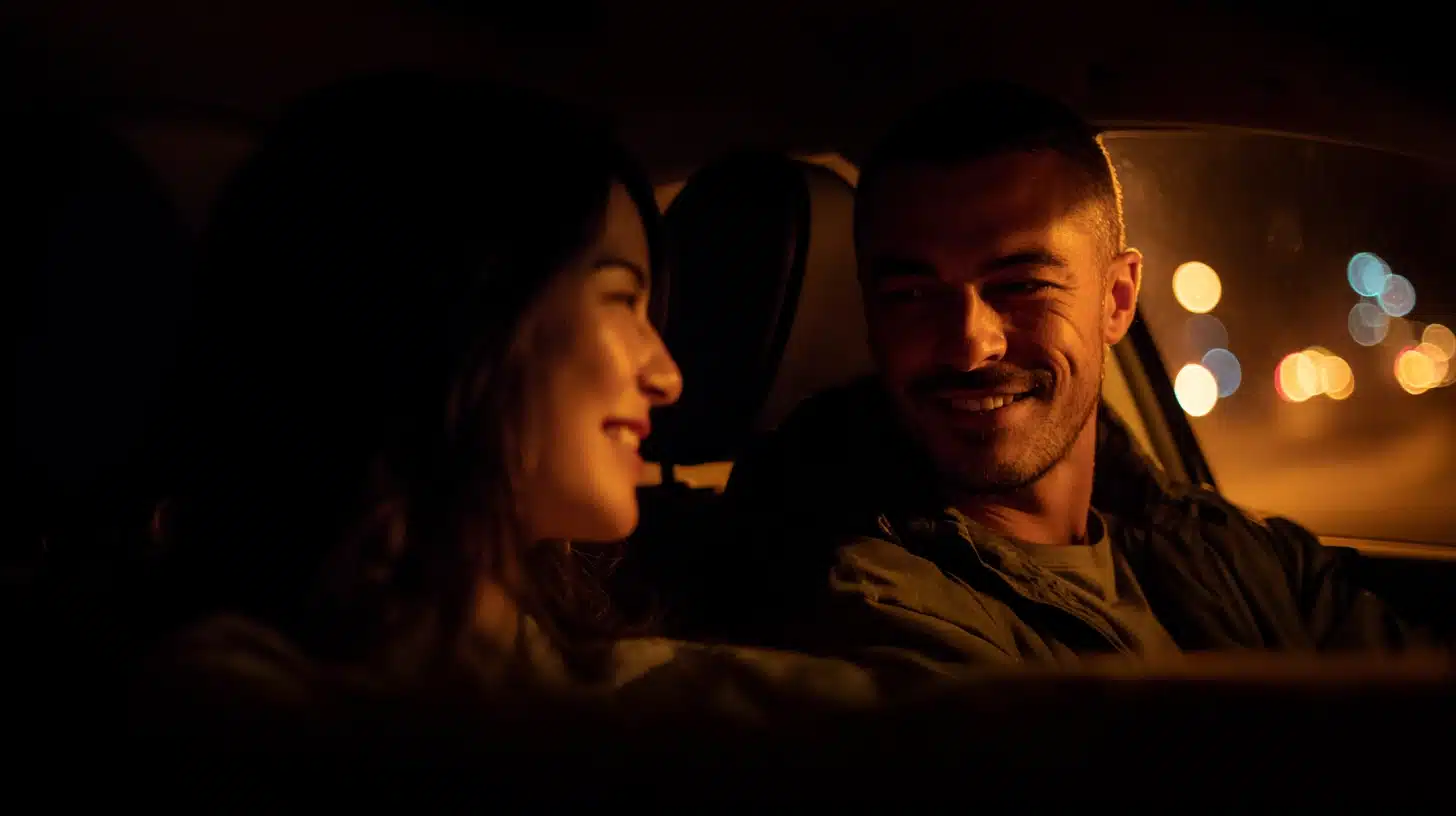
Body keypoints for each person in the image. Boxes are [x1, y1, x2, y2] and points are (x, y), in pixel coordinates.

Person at [128, 73, 884, 780]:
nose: (668, 376)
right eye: (621, 300)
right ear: (460, 318)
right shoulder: (226, 710)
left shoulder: (594, 664)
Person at [708, 81, 1447, 673]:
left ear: (1117, 299)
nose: (968, 346)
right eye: (911, 294)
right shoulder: (865, 605)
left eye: (1021, 284)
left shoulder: (1219, 545)